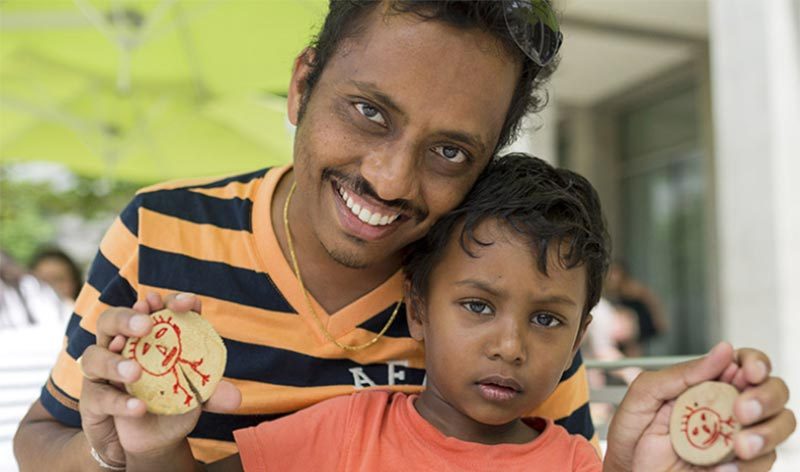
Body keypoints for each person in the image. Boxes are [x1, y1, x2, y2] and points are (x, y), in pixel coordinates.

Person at [13, 1, 794, 471]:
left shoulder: (491, 289)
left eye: (450, 151)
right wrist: (120, 446)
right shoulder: (161, 232)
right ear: (301, 83)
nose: (389, 179)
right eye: (369, 111)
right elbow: (38, 438)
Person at [121, 153, 606, 471]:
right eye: (478, 306)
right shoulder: (348, 430)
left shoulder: (576, 463)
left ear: (578, 339)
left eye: (546, 319)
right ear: (417, 309)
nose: (510, 347)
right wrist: (156, 446)